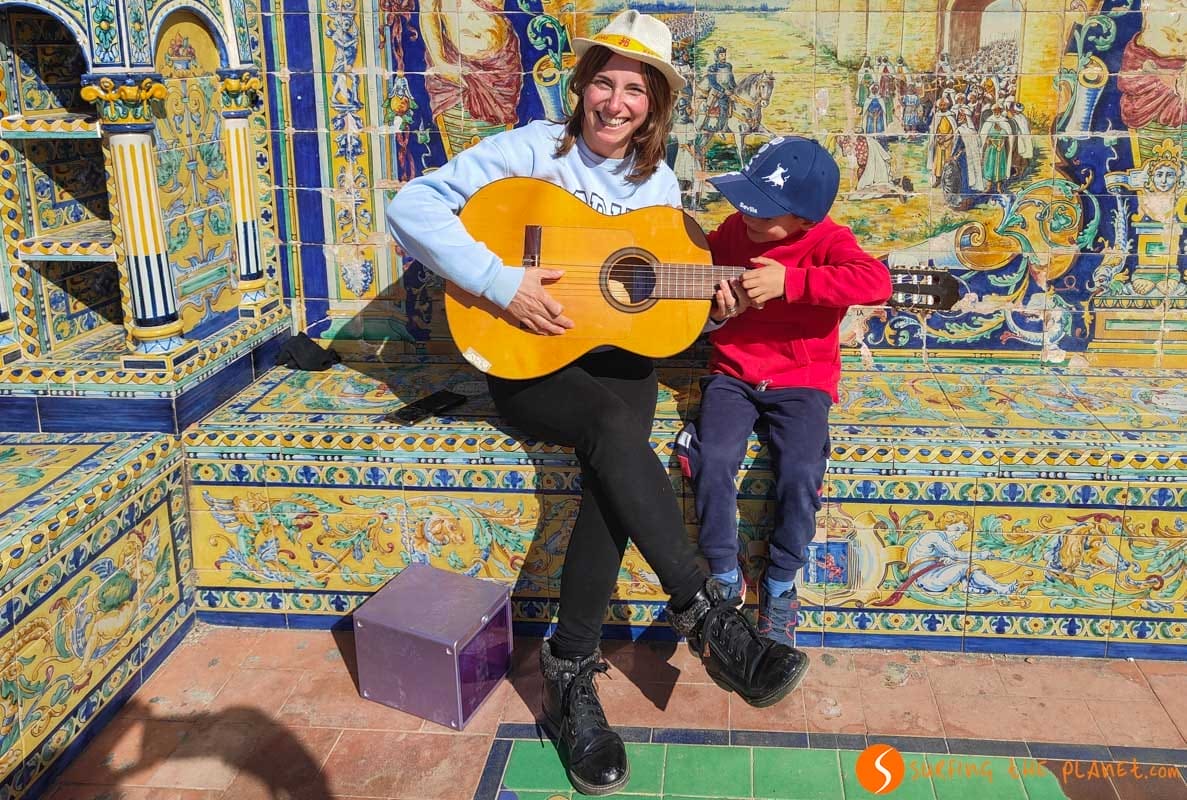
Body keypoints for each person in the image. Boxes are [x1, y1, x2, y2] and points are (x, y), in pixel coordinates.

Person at [385, 11, 808, 796]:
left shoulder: (655, 181)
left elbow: (650, 298)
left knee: (614, 470)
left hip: (614, 362)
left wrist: (712, 305)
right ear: (582, 87)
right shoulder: (527, 150)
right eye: (604, 84)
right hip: (527, 358)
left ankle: (570, 675)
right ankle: (708, 616)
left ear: (654, 107)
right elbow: (411, 207)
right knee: (616, 435)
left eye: (634, 91)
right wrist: (501, 281)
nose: (615, 103)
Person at [677, 137, 892, 646]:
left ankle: (779, 584)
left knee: (799, 470)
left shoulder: (828, 241)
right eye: (744, 201)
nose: (746, 216)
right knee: (715, 458)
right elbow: (697, 273)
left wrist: (791, 283)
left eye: (763, 210)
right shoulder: (733, 231)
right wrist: (716, 307)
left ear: (804, 218)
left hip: (802, 381)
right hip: (732, 374)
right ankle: (725, 576)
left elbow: (875, 281)